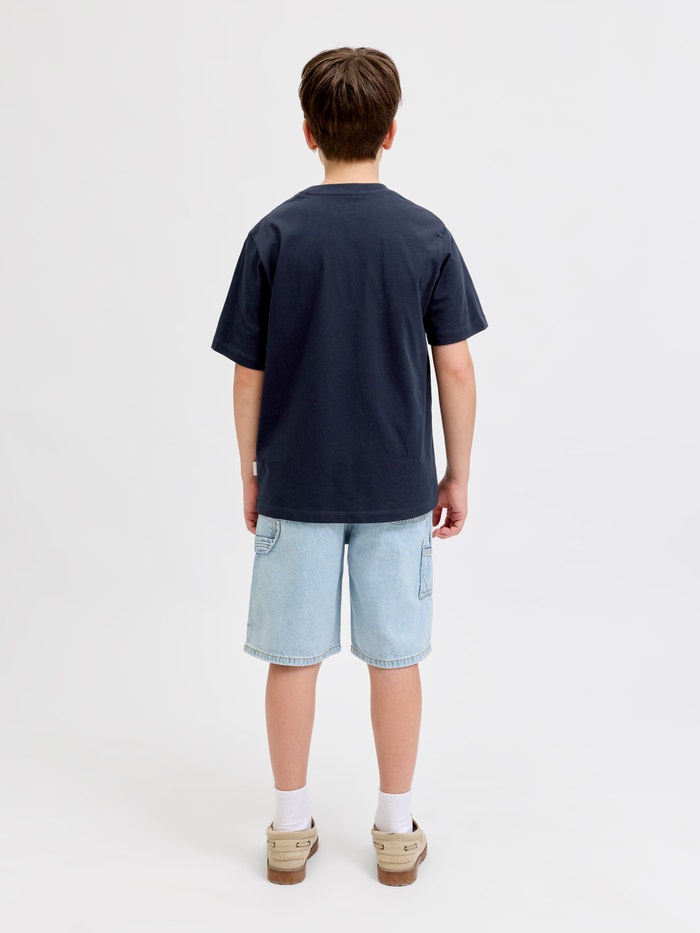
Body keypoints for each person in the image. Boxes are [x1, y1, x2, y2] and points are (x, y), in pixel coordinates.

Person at [211, 47, 488, 886]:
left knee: (291, 655)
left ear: (308, 132)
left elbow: (248, 374)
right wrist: (457, 473)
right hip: (398, 486)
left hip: (295, 482)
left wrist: (250, 470)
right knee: (395, 657)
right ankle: (396, 830)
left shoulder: (274, 234)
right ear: (391, 131)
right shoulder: (425, 235)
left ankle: (289, 826)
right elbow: (456, 368)